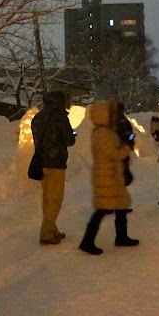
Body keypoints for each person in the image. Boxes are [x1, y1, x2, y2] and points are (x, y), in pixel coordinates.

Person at [78, 99, 139, 255]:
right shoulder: (103, 134)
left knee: (120, 205)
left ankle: (121, 236)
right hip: (107, 176)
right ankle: (87, 241)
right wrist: (127, 147)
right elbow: (114, 154)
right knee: (102, 209)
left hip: (109, 174)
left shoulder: (102, 131)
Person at [29, 90, 77, 245]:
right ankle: (46, 233)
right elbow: (69, 140)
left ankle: (51, 227)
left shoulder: (38, 117)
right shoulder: (60, 117)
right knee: (55, 199)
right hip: (56, 162)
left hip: (41, 162)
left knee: (47, 198)